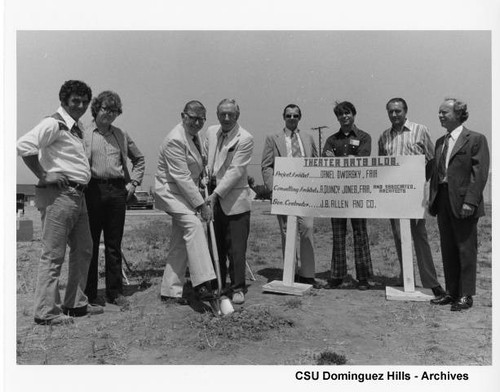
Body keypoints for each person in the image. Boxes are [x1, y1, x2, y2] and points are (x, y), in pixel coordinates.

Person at [16, 80, 103, 325]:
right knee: (53, 254)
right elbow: (24, 146)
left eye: (85, 102)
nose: (81, 105)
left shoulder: (75, 128)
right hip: (59, 196)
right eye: (76, 101)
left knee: (84, 249)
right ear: (64, 101)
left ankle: (74, 304)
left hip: (78, 195)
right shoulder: (54, 123)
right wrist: (44, 175)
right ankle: (45, 312)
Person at [83, 91, 145, 309]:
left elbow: (139, 159)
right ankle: (88, 294)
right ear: (96, 109)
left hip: (117, 192)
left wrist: (134, 183)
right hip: (91, 191)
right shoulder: (83, 132)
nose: (109, 114)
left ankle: (115, 293)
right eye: (105, 109)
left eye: (114, 111)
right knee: (89, 244)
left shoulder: (121, 134)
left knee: (113, 245)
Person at [378, 97, 445, 297]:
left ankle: (431, 282)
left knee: (419, 236)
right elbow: (381, 165)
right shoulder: (384, 136)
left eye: (398, 111)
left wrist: (422, 179)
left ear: (405, 111)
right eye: (390, 111)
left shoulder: (420, 130)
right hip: (394, 194)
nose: (394, 115)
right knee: (399, 236)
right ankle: (406, 277)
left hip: (415, 193)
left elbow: (433, 158)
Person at [429, 98, 489, 311]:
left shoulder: (475, 139)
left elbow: (479, 174)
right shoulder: (439, 142)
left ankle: (466, 295)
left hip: (464, 202)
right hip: (443, 200)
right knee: (448, 248)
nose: (440, 116)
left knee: (466, 249)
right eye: (439, 112)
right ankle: (451, 292)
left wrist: (470, 201)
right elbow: (433, 172)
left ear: (459, 114)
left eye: (444, 112)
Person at [154, 100, 216, 305]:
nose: (197, 123)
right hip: (170, 192)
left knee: (180, 239)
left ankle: (170, 291)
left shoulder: (194, 136)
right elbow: (181, 176)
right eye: (192, 118)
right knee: (194, 225)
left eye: (201, 119)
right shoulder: (175, 139)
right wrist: (201, 205)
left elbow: (195, 167)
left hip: (183, 192)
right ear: (183, 116)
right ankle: (204, 283)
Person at [261, 104, 318, 286]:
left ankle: (308, 274)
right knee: (287, 232)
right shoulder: (273, 138)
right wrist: (273, 188)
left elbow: (316, 163)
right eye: (288, 115)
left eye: (295, 115)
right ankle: (290, 272)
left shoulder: (308, 137)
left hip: (306, 191)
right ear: (283, 117)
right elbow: (266, 165)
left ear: (300, 117)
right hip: (284, 191)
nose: (292, 118)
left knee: (307, 228)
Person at [205, 99, 254, 304]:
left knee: (236, 249)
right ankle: (218, 286)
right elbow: (205, 158)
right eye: (222, 114)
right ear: (217, 114)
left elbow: (235, 172)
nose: (226, 118)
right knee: (214, 245)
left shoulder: (246, 138)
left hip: (234, 200)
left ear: (237, 116)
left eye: (230, 114)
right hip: (211, 198)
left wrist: (215, 195)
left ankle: (237, 288)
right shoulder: (210, 132)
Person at [322, 101, 373, 290]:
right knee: (338, 234)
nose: (344, 116)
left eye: (348, 113)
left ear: (353, 114)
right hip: (337, 193)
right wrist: (346, 160)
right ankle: (337, 275)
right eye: (341, 114)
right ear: (337, 117)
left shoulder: (364, 137)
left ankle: (363, 277)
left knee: (360, 234)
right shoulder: (332, 139)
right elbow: (325, 159)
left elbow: (362, 159)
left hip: (358, 192)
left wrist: (338, 159)